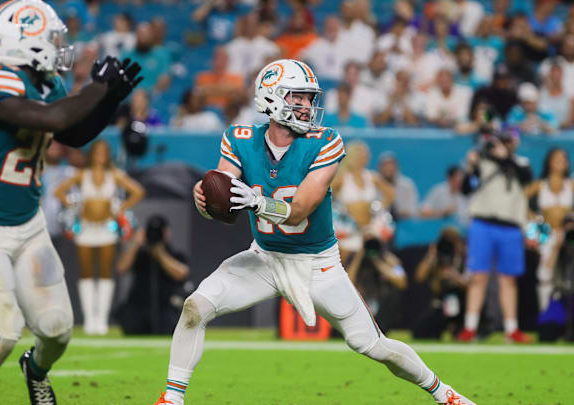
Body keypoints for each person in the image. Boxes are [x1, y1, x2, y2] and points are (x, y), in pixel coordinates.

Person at [153, 59, 476, 405]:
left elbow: (300, 210)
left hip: (318, 264)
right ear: (272, 98)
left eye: (310, 98)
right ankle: (172, 399)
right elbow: (221, 190)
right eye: (299, 97)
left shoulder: (325, 143)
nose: (307, 106)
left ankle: (445, 394)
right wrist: (204, 198)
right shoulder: (240, 138)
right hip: (265, 257)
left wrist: (257, 201)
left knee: (372, 345)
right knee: (195, 306)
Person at [0, 1, 143, 404]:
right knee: (2, 333)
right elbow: (53, 119)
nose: (59, 46)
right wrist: (98, 88)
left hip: (29, 226)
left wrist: (109, 100)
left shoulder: (47, 83)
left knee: (57, 329)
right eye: (51, 39)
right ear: (24, 43)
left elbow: (72, 134)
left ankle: (34, 370)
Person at [54, 140, 145, 335]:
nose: (100, 156)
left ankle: (101, 319)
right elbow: (59, 191)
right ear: (92, 154)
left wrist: (120, 208)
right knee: (86, 271)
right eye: (97, 152)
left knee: (105, 271)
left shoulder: (115, 175)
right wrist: (73, 205)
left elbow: (138, 191)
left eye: (104, 152)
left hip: (106, 228)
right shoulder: (82, 175)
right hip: (86, 228)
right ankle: (89, 319)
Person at [458, 128, 533, 343]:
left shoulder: (521, 162)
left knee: (508, 279)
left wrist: (503, 157)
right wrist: (471, 165)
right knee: (478, 276)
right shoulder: (483, 162)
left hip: (510, 226)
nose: (509, 143)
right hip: (482, 223)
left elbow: (524, 177)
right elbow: (466, 189)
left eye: (511, 139)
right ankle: (469, 327)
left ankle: (511, 329)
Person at [116, 216, 190, 335]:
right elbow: (121, 268)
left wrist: (160, 254)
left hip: (164, 308)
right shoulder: (139, 254)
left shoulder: (175, 254)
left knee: (170, 325)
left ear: (167, 232)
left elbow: (182, 274)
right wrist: (135, 243)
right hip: (138, 307)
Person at [330, 140, 394, 263]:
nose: (367, 157)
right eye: (364, 154)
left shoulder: (371, 176)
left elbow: (391, 193)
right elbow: (323, 194)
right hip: (348, 231)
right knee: (344, 258)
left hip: (369, 230)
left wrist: (379, 208)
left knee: (383, 257)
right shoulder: (342, 178)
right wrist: (336, 212)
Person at [525, 148, 573, 311]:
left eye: (563, 158)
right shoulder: (540, 185)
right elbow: (520, 200)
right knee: (544, 273)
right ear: (549, 162)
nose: (560, 162)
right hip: (546, 231)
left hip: (568, 232)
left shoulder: (571, 185)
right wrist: (533, 218)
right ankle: (545, 314)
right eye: (556, 158)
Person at [413, 227, 468, 339]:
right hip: (441, 304)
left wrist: (455, 276)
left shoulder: (466, 257)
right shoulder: (437, 258)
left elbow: (472, 286)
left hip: (463, 303)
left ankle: (459, 329)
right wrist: (431, 256)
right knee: (420, 333)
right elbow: (419, 277)